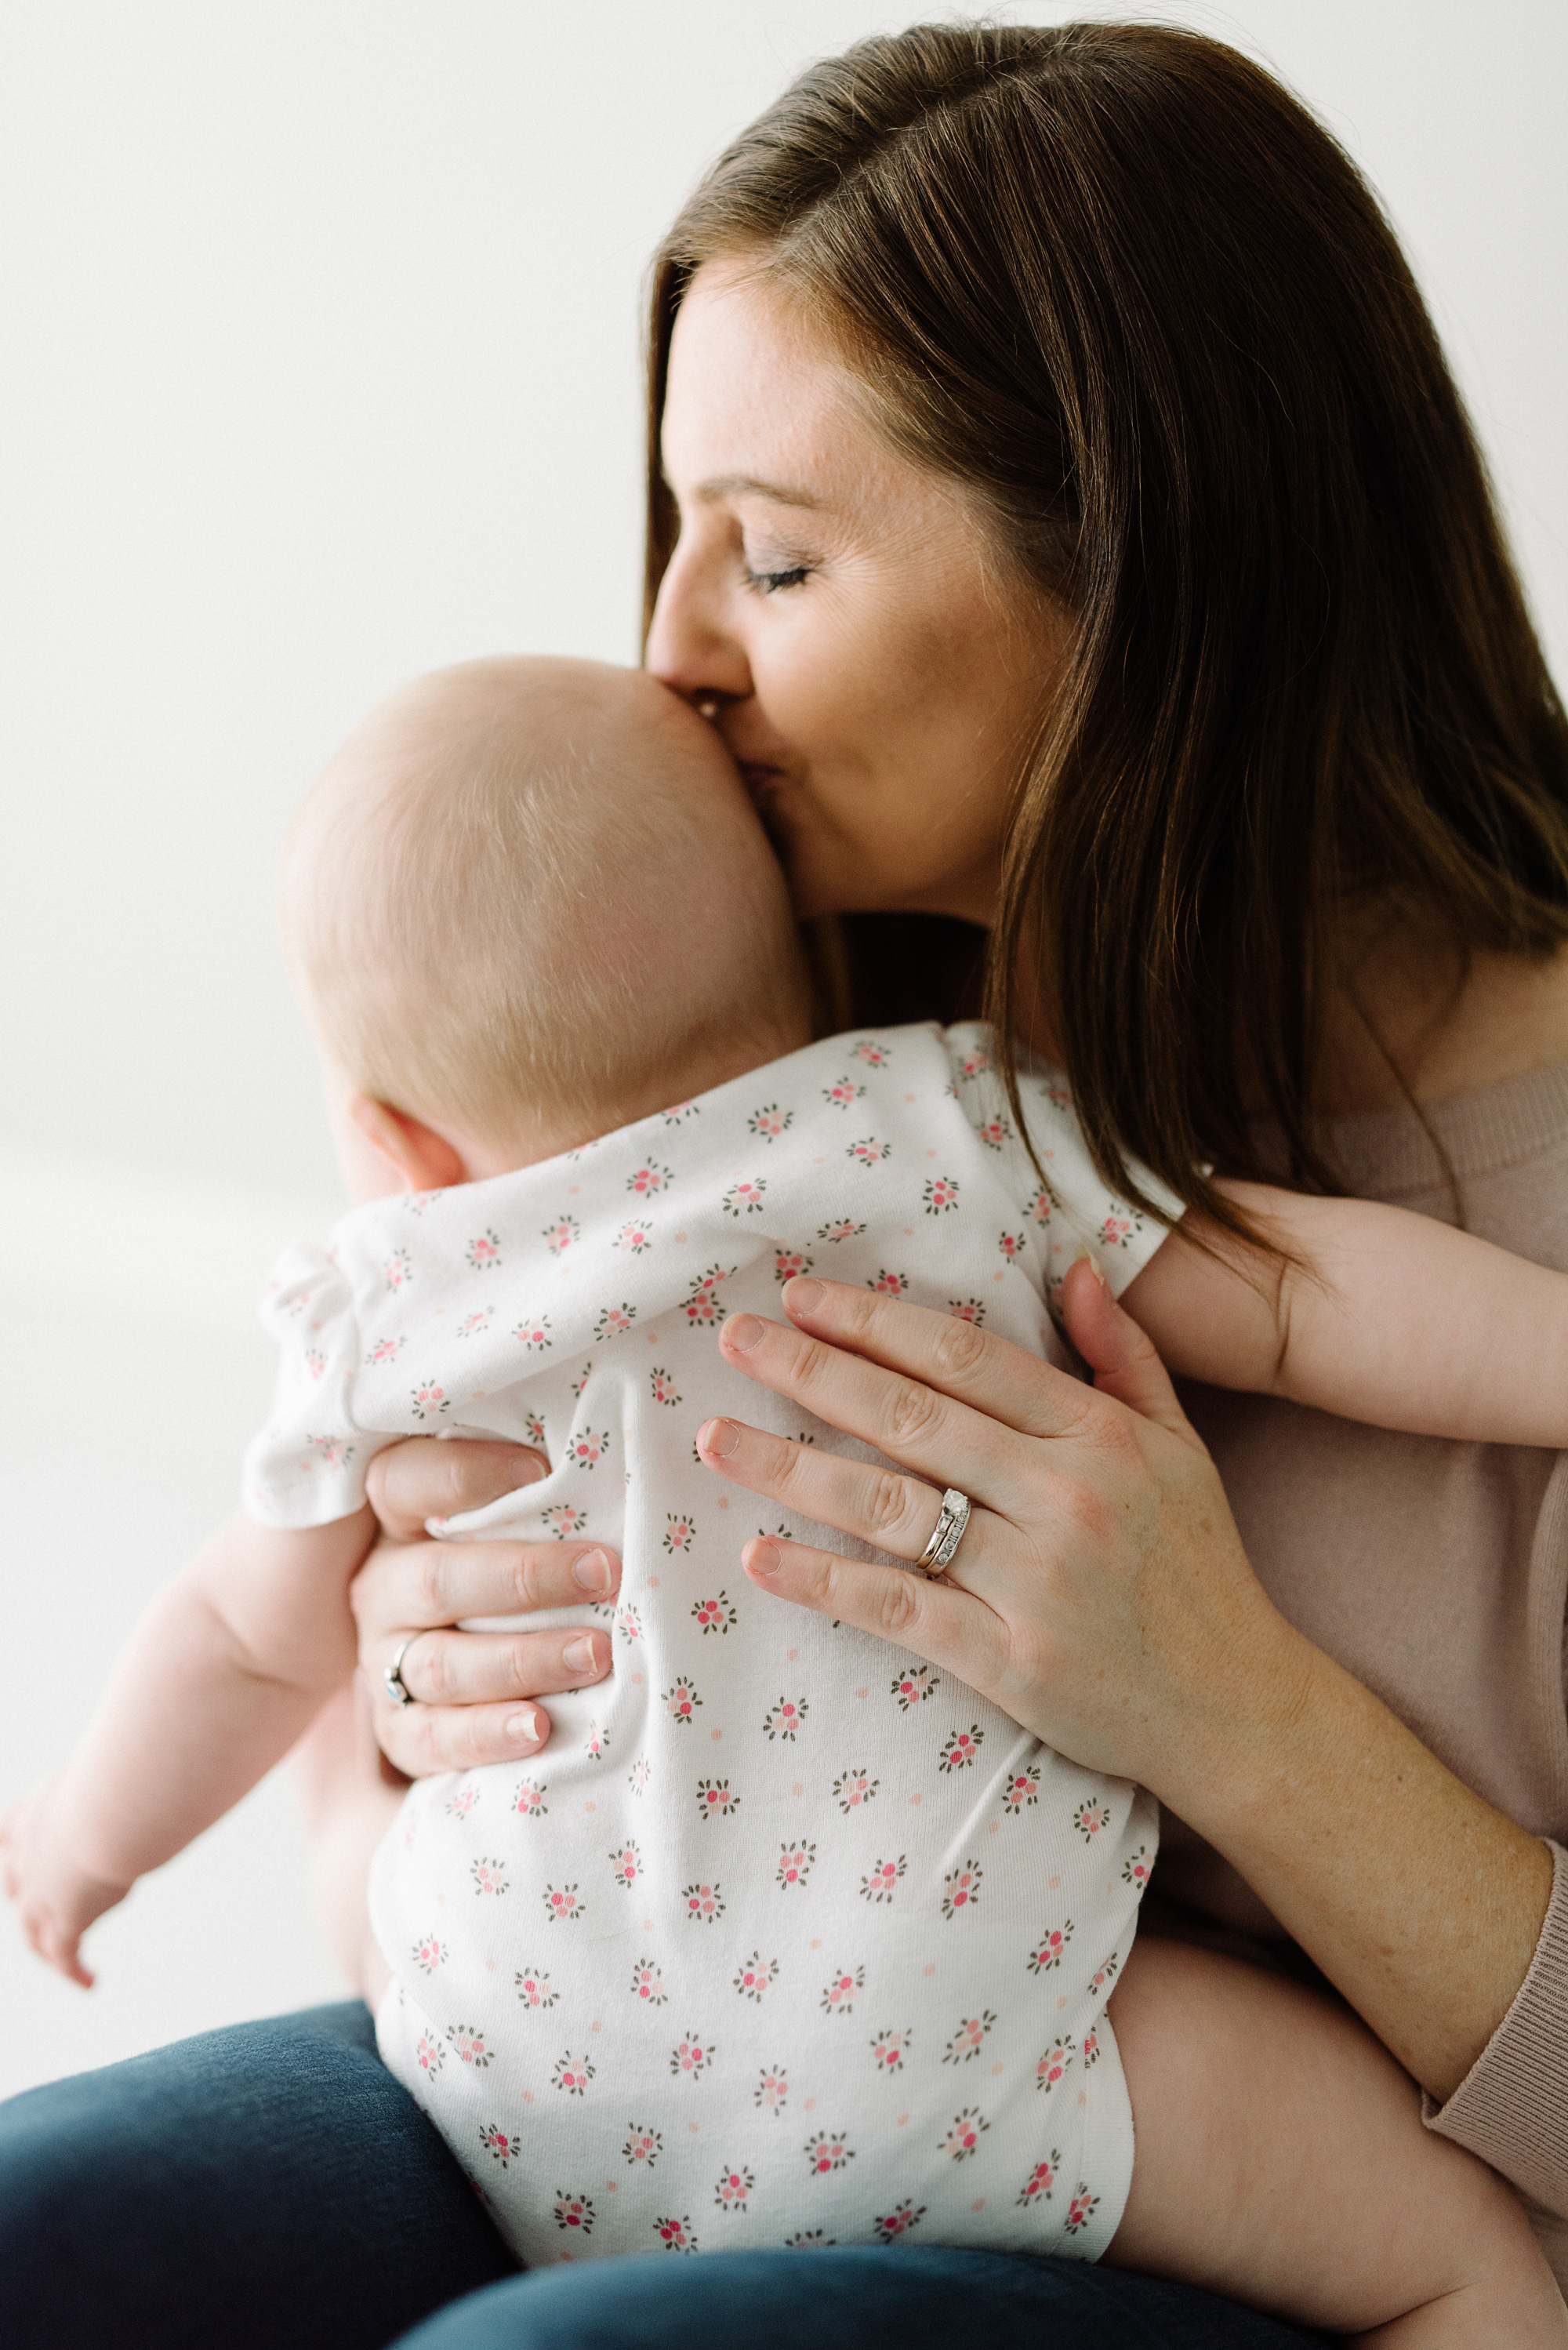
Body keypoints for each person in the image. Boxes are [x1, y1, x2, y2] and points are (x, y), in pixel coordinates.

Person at [3, 20, 1566, 2348]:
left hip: (1257, 2203)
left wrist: (1235, 1710)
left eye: (774, 558)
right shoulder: (793, 1080)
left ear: (1140, 580)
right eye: (673, 535)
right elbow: (330, 1655)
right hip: (661, 2091)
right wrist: (404, 1747)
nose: (665, 656)